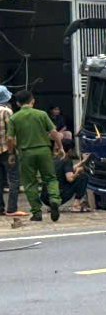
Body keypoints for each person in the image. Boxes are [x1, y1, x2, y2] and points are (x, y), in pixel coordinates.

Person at [9, 90, 64, 222]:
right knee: (50, 178)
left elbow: (10, 138)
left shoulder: (14, 118)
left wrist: (11, 153)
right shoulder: (42, 114)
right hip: (44, 150)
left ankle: (37, 213)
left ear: (17, 103)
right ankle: (55, 200)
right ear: (32, 101)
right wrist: (60, 147)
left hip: (26, 153)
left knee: (30, 183)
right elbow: (54, 132)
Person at [0, 86, 24, 219]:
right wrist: (12, 153)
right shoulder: (6, 111)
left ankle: (0, 208)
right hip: (6, 150)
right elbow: (11, 135)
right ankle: (11, 209)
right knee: (14, 179)